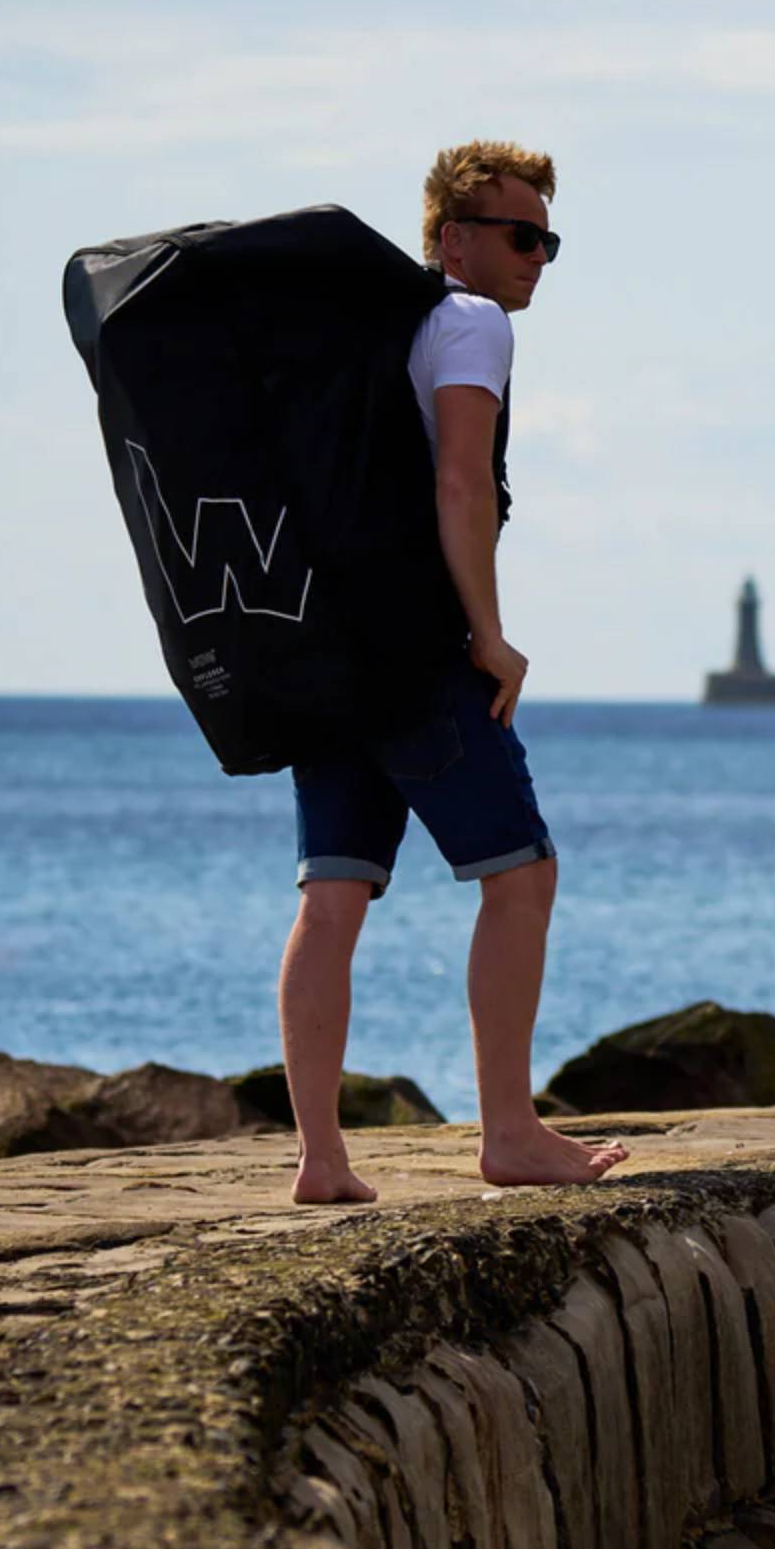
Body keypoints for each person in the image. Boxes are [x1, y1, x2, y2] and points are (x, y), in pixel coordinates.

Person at [276, 141, 628, 1202]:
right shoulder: (469, 322)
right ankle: (511, 1131)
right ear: (452, 240)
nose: (538, 258)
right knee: (521, 876)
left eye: (548, 239)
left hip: (324, 651)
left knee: (332, 895)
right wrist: (487, 630)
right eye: (521, 235)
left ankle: (320, 1158)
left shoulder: (368, 335)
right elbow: (461, 483)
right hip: (416, 650)